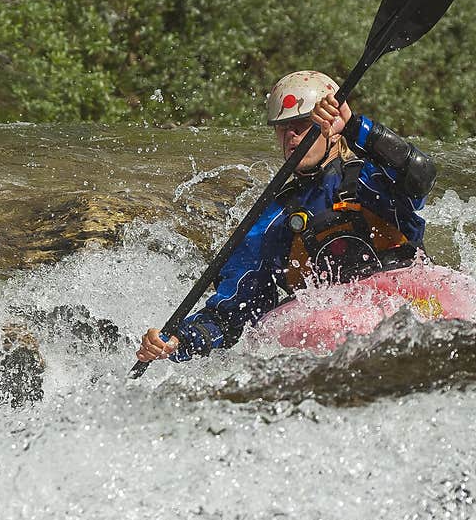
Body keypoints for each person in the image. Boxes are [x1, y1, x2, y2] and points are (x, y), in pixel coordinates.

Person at [135, 69, 438, 363]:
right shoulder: (272, 219)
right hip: (334, 335)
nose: (291, 136)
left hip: (409, 306)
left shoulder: (373, 179)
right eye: (283, 127)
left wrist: (355, 126)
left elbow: (421, 174)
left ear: (331, 127)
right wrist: (179, 341)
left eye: (303, 124)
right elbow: (233, 313)